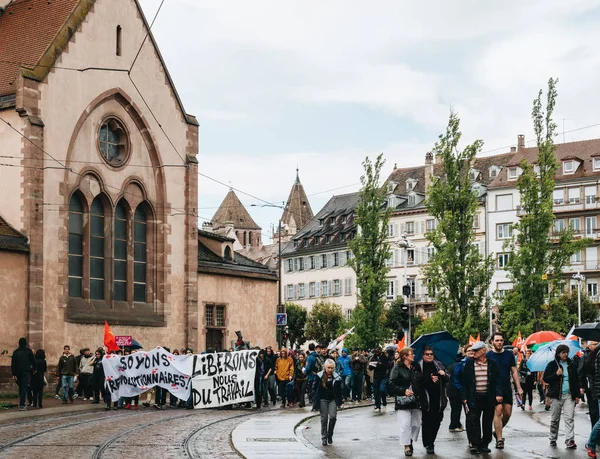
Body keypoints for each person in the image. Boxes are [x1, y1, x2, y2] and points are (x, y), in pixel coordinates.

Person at [462, 341, 502, 455]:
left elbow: (498, 381)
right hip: (474, 397)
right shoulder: (469, 364)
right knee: (474, 421)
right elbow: (465, 382)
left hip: (488, 397)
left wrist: (499, 394)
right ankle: (475, 444)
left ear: (483, 351)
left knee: (487, 421)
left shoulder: (492, 364)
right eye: (472, 351)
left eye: (476, 350)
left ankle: (485, 444)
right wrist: (464, 397)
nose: (473, 353)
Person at [486, 332, 523, 449]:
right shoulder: (488, 355)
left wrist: (519, 387)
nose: (499, 342)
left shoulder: (509, 355)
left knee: (507, 413)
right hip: (493, 388)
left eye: (501, 340)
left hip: (506, 386)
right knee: (498, 411)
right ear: (492, 342)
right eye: (497, 340)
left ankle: (497, 431)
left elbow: (514, 372)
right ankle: (500, 439)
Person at [543, 344, 580, 449]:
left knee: (569, 418)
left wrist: (577, 395)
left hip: (569, 395)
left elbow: (575, 380)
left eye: (567, 352)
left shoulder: (571, 364)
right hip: (556, 395)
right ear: (558, 353)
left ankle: (570, 440)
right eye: (563, 352)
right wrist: (556, 374)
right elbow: (545, 378)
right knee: (555, 419)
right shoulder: (552, 364)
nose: (565, 354)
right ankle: (553, 438)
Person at [388, 347, 423, 457]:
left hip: (416, 400)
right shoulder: (397, 367)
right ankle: (406, 446)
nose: (413, 355)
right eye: (411, 354)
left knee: (416, 424)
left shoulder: (415, 367)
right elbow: (391, 384)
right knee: (405, 425)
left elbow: (421, 381)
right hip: (403, 401)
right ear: (404, 356)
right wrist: (403, 391)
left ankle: (410, 440)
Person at [313, 358, 344, 446]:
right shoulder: (319, 376)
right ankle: (324, 437)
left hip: (333, 399)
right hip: (322, 399)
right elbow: (314, 388)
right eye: (328, 368)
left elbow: (339, 391)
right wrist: (315, 400)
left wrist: (341, 402)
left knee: (333, 417)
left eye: (332, 368)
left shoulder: (337, 377)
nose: (330, 370)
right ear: (325, 367)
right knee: (324, 419)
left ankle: (330, 434)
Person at [448, 345, 472, 433]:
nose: (471, 352)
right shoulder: (460, 364)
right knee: (457, 409)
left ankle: (456, 424)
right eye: (469, 351)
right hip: (456, 391)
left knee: (456, 409)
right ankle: (454, 425)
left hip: (454, 390)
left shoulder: (451, 363)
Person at [11, 337, 36, 411]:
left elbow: (13, 364)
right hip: (26, 372)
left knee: (21, 388)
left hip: (18, 373)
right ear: (25, 343)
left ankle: (22, 402)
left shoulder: (15, 352)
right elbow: (33, 361)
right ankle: (22, 404)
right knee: (24, 388)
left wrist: (13, 374)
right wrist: (35, 369)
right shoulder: (28, 351)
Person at [579, 341, 599, 428]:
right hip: (591, 387)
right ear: (589, 346)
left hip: (596, 386)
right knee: (594, 411)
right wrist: (581, 386)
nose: (596, 346)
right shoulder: (586, 356)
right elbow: (581, 371)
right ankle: (594, 434)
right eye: (595, 344)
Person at [369, 346, 390, 413]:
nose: (376, 353)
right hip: (376, 376)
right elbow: (370, 367)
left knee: (382, 389)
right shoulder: (373, 357)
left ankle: (384, 403)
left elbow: (387, 366)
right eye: (375, 352)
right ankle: (377, 406)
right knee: (376, 392)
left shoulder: (385, 357)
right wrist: (372, 365)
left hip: (383, 376)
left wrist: (380, 364)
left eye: (377, 351)